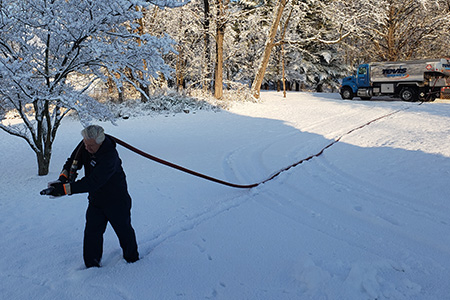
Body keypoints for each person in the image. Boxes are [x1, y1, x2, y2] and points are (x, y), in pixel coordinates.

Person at [48, 125, 139, 268]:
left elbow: (93, 182)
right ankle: (91, 265)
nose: (87, 148)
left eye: (90, 146)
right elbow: (72, 161)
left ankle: (132, 259)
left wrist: (65, 189)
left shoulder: (110, 156)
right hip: (96, 200)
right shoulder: (86, 143)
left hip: (116, 201)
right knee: (92, 232)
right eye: (85, 144)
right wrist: (62, 178)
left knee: (124, 230)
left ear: (100, 142)